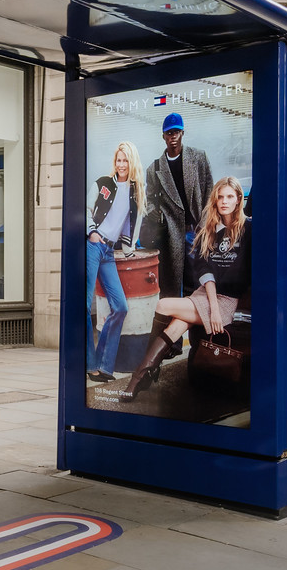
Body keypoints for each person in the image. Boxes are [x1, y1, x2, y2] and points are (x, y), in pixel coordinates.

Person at [120, 177, 250, 401]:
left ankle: (142, 374)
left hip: (228, 300)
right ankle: (143, 375)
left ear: (239, 199)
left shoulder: (249, 229)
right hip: (207, 296)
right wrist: (212, 307)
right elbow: (203, 267)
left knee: (163, 305)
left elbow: (239, 274)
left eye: (230, 197)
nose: (224, 202)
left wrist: (219, 308)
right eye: (220, 197)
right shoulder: (209, 228)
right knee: (178, 323)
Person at [86, 141, 142, 381]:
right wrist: (92, 231)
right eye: (118, 160)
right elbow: (86, 208)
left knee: (120, 307)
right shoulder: (102, 184)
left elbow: (131, 225)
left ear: (132, 162)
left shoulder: (135, 191)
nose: (121, 165)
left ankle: (104, 365)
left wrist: (130, 248)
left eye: (126, 160)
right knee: (84, 306)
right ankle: (91, 366)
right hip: (92, 245)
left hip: (109, 252)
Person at [142, 112, 213, 301]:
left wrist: (205, 225)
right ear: (163, 136)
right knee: (171, 284)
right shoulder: (155, 168)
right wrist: (153, 212)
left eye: (176, 132)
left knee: (197, 281)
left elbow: (209, 192)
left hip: (196, 230)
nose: (172, 137)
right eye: (168, 133)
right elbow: (149, 200)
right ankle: (173, 326)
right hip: (170, 234)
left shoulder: (198, 158)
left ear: (182, 133)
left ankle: (196, 327)